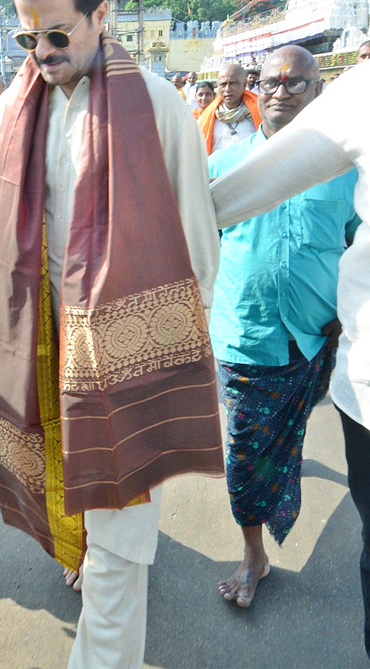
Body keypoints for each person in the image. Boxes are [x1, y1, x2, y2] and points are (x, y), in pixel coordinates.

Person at [0, 0, 223, 669]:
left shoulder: (158, 106)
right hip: (36, 343)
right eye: (26, 33)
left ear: (100, 14)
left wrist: (162, 351)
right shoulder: (14, 112)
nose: (41, 50)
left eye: (56, 32)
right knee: (63, 491)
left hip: (127, 355)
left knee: (120, 550)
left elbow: (197, 244)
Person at [210, 63, 370, 659]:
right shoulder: (226, 166)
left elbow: (359, 237)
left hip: (315, 339)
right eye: (268, 81)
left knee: (290, 431)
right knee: (248, 455)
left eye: (295, 83)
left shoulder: (347, 169)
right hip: (245, 339)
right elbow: (193, 237)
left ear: (320, 94)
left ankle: (282, 466)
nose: (278, 91)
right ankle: (255, 556)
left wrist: (343, 309)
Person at [199, 62, 261, 154]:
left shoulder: (259, 113)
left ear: (244, 85)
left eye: (233, 83)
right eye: (223, 84)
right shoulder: (206, 118)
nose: (228, 89)